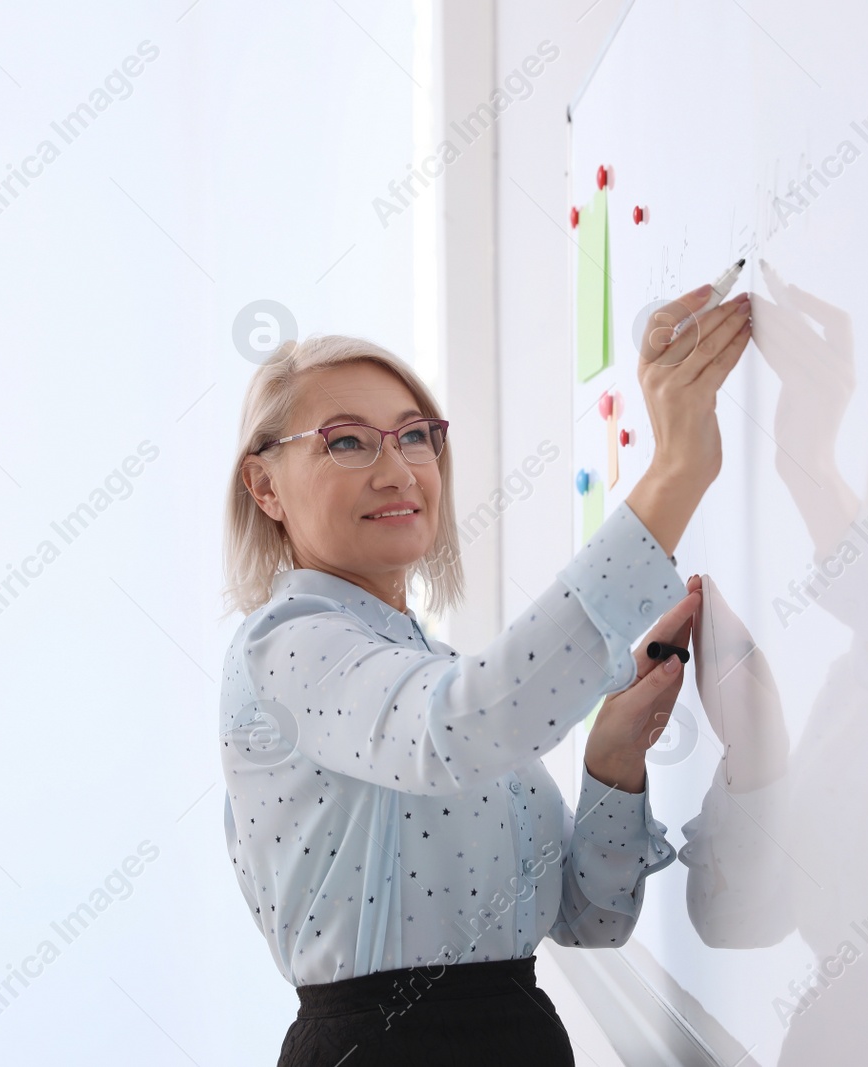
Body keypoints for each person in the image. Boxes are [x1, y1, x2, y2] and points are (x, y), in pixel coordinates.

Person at [219, 282, 752, 1065]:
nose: (398, 469)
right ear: (264, 486)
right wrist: (672, 475)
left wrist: (611, 759)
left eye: (414, 436)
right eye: (346, 440)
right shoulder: (287, 649)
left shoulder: (423, 669)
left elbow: (591, 917)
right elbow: (459, 727)